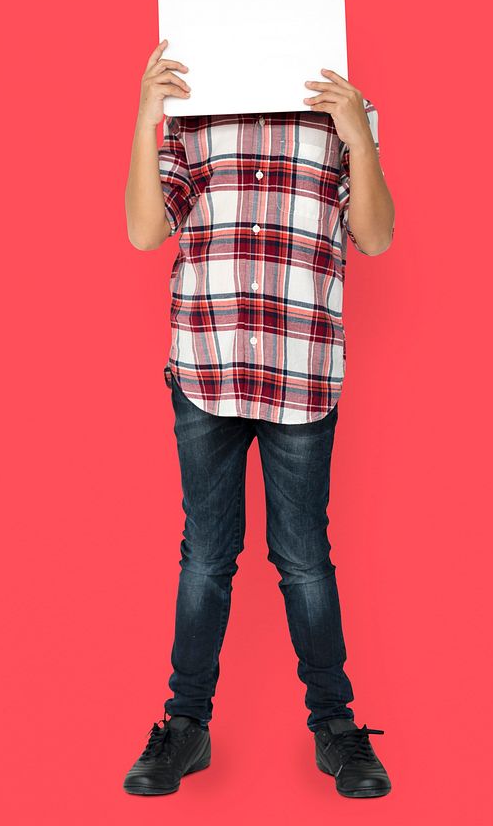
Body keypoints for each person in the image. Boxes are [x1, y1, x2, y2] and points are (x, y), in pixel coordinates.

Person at [122, 39, 396, 799]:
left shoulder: (343, 107)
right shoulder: (192, 109)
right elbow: (147, 231)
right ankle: (185, 727)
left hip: (301, 371)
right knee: (206, 555)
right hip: (206, 365)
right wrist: (148, 113)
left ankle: (336, 729)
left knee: (303, 554)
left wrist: (355, 133)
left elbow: (373, 235)